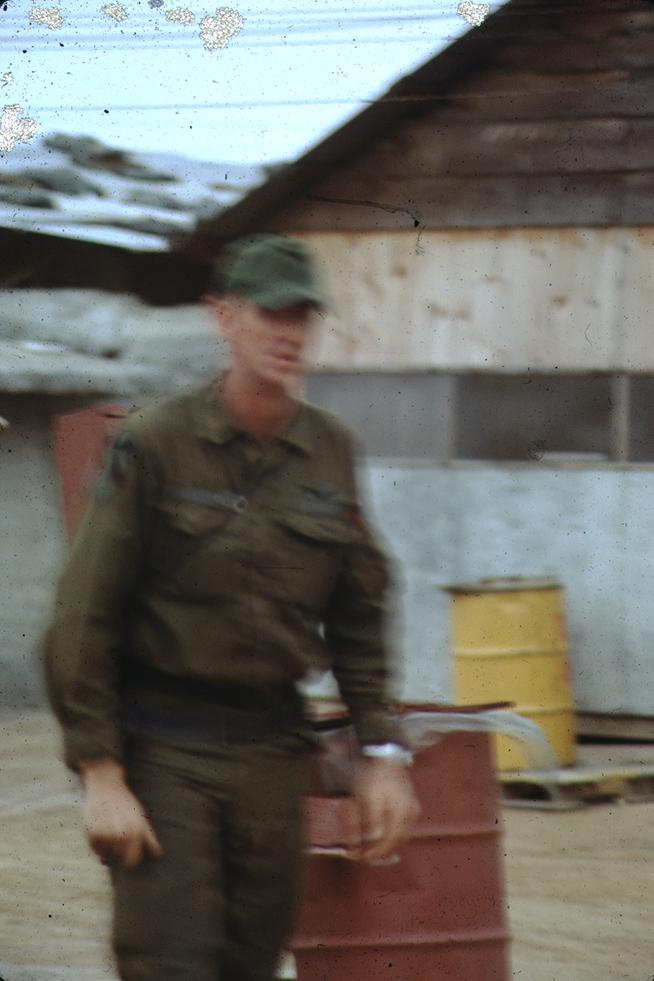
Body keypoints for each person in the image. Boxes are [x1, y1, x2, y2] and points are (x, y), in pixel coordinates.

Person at [44, 234, 419, 981]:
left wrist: (382, 754)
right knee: (172, 962)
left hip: (273, 752)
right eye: (271, 312)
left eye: (303, 315)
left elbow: (359, 612)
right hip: (166, 753)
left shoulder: (329, 451)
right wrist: (101, 772)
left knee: (254, 962)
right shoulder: (155, 443)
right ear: (224, 318)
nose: (289, 333)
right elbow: (85, 612)